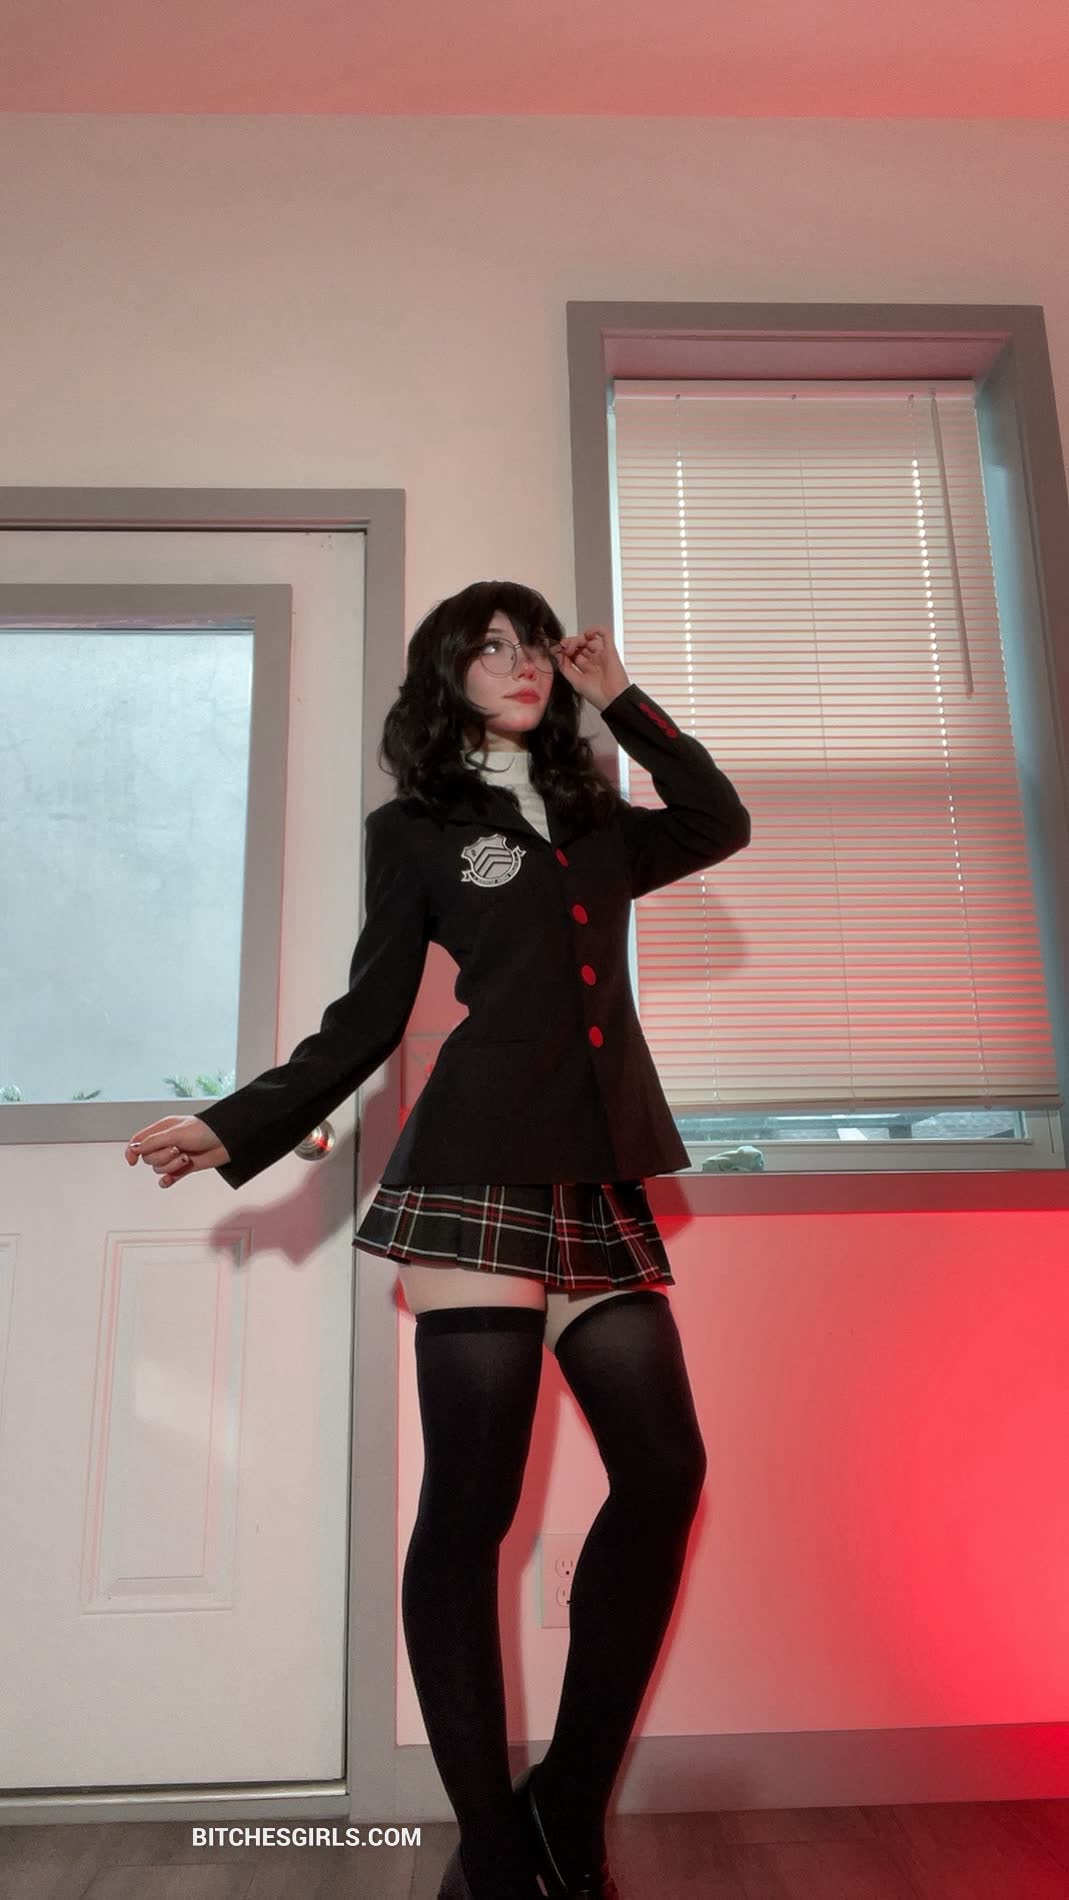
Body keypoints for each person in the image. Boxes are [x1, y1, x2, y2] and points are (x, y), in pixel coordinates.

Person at [124, 580, 751, 1900]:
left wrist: (622, 700)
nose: (521, 666)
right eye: (490, 650)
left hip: (593, 1177)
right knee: (472, 1509)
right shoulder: (414, 830)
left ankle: (564, 1803)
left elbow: (716, 820)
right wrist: (233, 1123)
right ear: (446, 677)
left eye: (534, 648)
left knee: (664, 1472)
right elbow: (366, 1017)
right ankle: (492, 1848)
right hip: (474, 1169)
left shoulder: (594, 818)